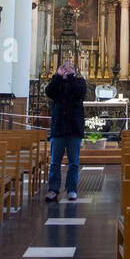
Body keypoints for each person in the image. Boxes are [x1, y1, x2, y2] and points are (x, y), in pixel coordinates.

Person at [45, 61, 86, 201]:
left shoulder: (80, 82)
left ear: (74, 70)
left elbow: (80, 93)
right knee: (55, 162)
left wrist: (71, 78)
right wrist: (58, 76)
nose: (67, 70)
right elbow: (49, 92)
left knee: (73, 162)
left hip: (74, 128)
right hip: (59, 128)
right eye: (64, 68)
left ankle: (71, 190)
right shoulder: (57, 83)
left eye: (70, 68)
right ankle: (53, 190)